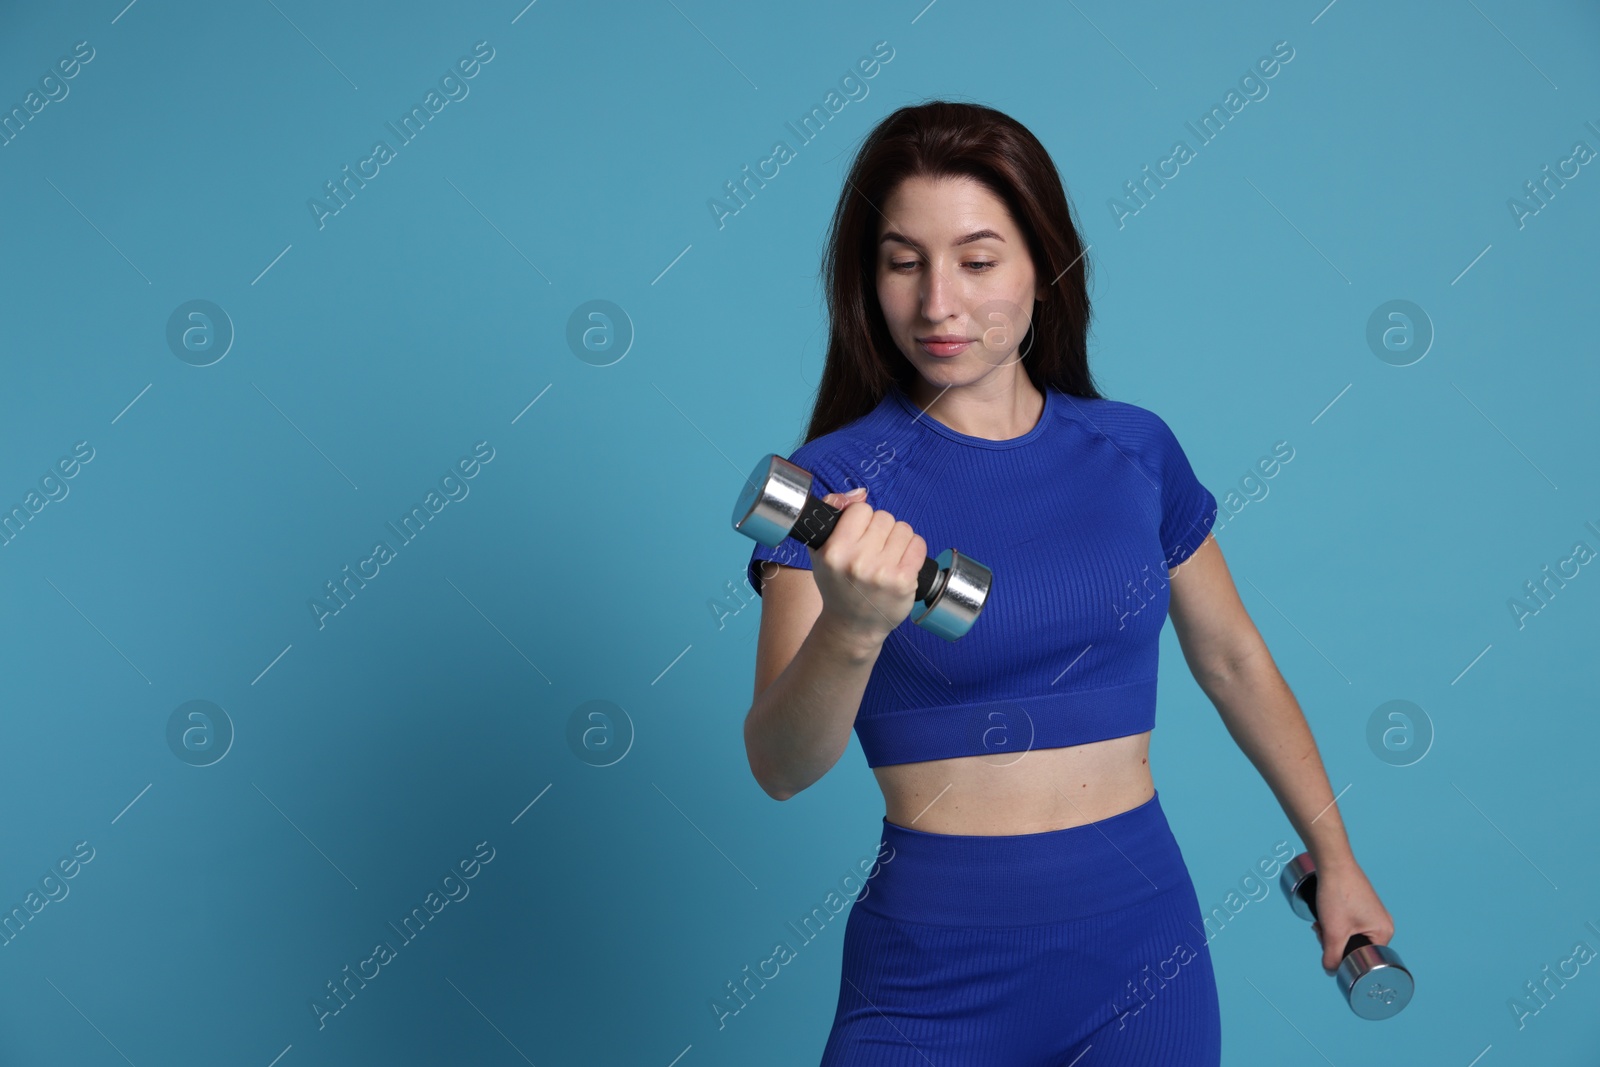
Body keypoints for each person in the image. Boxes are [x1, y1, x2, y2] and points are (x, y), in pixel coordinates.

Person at [741, 100, 1394, 1066]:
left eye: (977, 259)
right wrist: (850, 630)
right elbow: (780, 768)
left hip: (1141, 952)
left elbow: (1233, 659)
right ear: (867, 279)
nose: (937, 305)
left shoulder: (1134, 451)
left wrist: (1336, 859)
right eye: (902, 260)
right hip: (931, 968)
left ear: (1042, 267)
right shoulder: (833, 491)